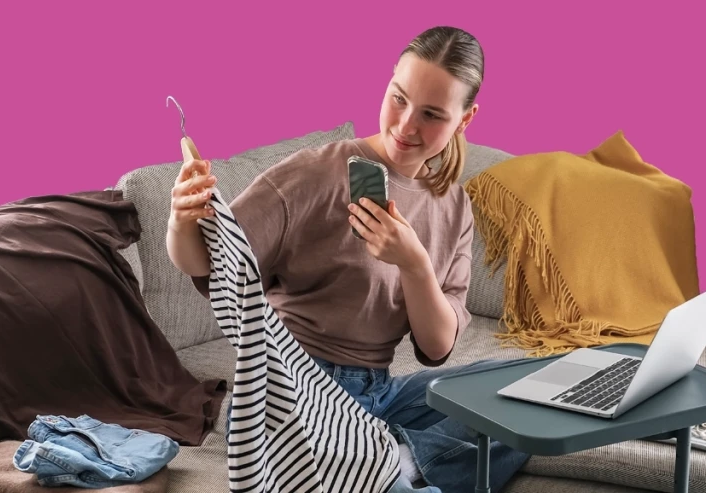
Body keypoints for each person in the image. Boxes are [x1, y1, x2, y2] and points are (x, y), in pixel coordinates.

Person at [166, 26, 531, 493]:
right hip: (295, 393)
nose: (405, 126)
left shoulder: (453, 206)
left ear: (465, 119)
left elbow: (437, 347)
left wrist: (414, 264)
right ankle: (393, 465)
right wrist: (182, 219)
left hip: (378, 392)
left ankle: (391, 459)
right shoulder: (317, 172)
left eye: (432, 114)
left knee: (525, 395)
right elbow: (214, 262)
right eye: (398, 98)